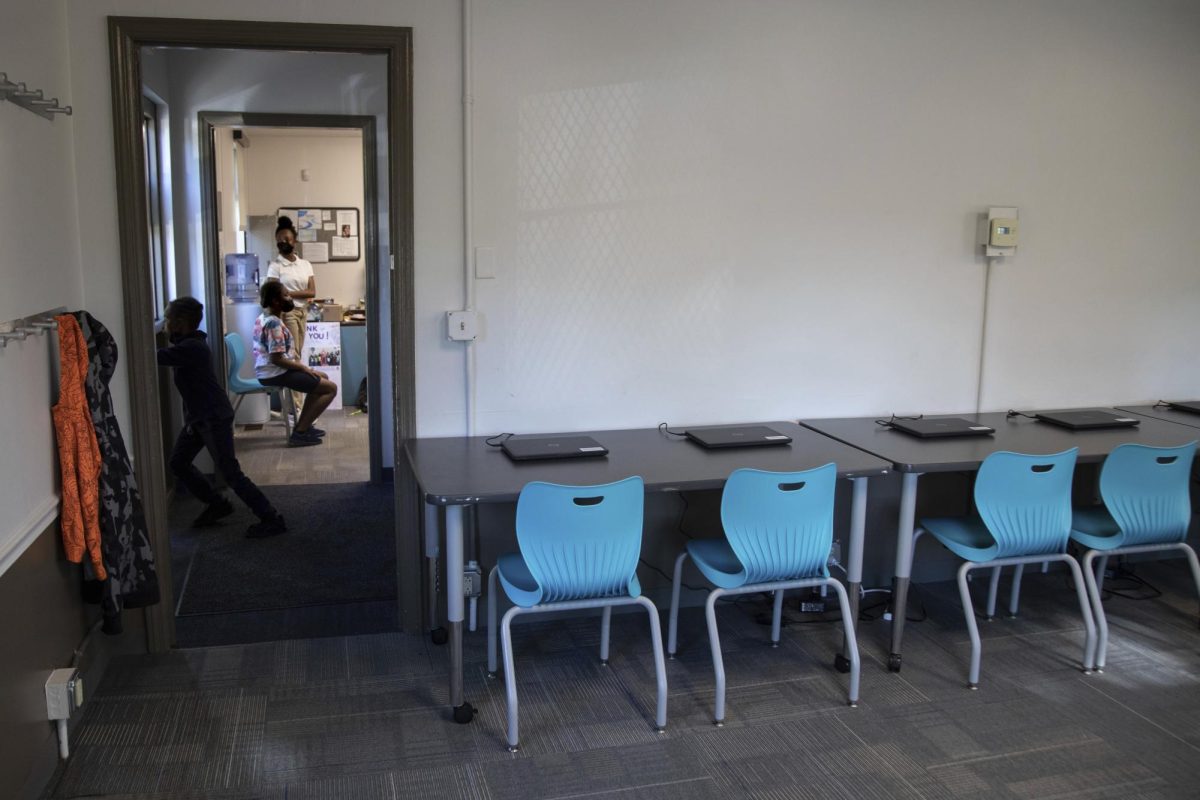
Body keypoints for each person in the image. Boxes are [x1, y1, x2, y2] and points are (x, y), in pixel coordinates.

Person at [156, 297, 286, 538]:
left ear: (180, 322)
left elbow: (159, 357)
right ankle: (217, 504)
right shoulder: (190, 343)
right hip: (199, 418)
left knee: (230, 472)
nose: (164, 323)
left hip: (213, 417)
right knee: (178, 462)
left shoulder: (192, 348)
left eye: (168, 319)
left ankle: (271, 517)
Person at [253, 280, 338, 447]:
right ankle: (299, 433)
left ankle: (304, 426)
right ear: (275, 301)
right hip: (275, 373)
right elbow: (276, 359)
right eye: (285, 295)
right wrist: (305, 369)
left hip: (271, 371)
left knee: (323, 380)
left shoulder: (265, 317)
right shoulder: (273, 323)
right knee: (331, 388)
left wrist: (306, 370)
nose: (290, 297)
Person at [266, 216, 316, 411]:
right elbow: (271, 292)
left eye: (287, 239)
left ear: (295, 240)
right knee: (293, 358)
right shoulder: (275, 266)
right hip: (287, 313)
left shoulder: (305, 264)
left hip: (303, 311)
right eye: (280, 240)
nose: (283, 243)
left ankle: (296, 407)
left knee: (297, 355)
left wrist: (286, 291)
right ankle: (298, 409)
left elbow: (312, 292)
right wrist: (286, 294)